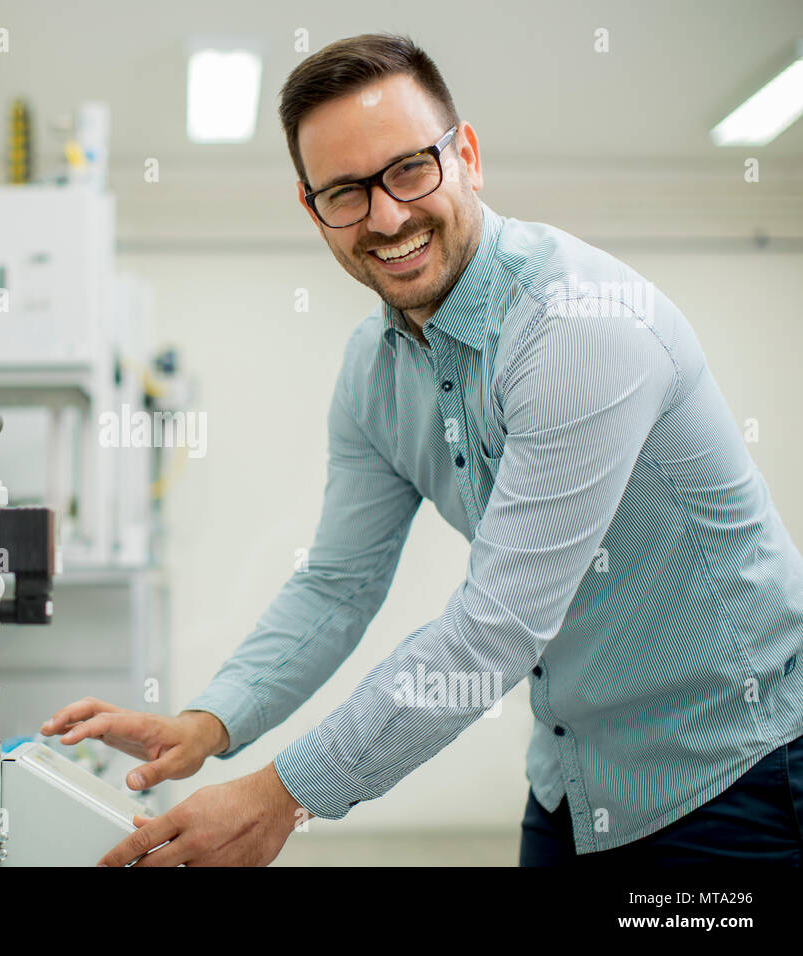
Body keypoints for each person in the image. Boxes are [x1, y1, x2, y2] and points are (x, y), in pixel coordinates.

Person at [43, 32, 803, 866]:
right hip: (574, 783)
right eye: (346, 192)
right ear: (312, 209)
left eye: (410, 169)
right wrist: (212, 721)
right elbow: (339, 583)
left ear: (466, 154)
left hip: (740, 772)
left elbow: (494, 633)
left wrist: (280, 796)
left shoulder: (580, 328)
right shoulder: (374, 371)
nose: (388, 216)